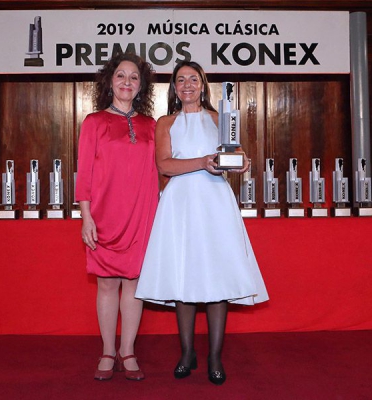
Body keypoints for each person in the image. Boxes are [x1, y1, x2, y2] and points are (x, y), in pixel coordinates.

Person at [135, 60, 269, 385]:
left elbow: (234, 155)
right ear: (174, 88)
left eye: (193, 79)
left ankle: (214, 356)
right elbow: (165, 166)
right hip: (179, 204)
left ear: (203, 84)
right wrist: (204, 162)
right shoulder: (165, 122)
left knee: (216, 275)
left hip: (214, 203)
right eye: (181, 80)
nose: (187, 85)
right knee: (183, 275)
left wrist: (240, 162)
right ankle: (186, 352)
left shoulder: (218, 118)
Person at [75, 52, 158, 381]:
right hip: (103, 216)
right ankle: (108, 351)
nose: (127, 81)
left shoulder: (151, 125)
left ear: (141, 86)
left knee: (134, 285)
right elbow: (84, 176)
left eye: (134, 77)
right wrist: (85, 217)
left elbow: (162, 169)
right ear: (110, 82)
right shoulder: (93, 122)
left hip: (141, 215)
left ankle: (128, 351)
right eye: (121, 75)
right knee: (107, 285)